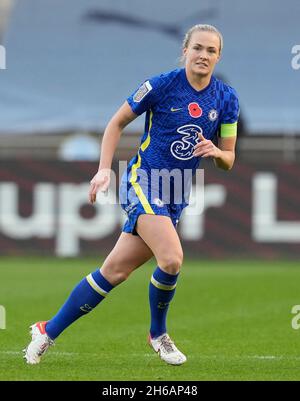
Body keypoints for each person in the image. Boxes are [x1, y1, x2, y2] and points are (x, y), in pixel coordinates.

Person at [23, 24, 239, 366]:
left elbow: (229, 159)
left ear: (219, 56)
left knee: (114, 272)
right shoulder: (161, 85)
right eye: (197, 48)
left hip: (175, 192)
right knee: (171, 258)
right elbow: (116, 123)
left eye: (211, 51)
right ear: (185, 50)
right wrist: (103, 169)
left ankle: (46, 330)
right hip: (144, 180)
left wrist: (217, 152)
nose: (203, 55)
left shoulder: (227, 99)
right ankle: (158, 334)